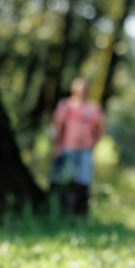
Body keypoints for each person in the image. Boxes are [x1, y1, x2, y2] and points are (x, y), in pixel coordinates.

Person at [51, 77, 104, 217]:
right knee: (67, 182)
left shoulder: (93, 109)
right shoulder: (65, 106)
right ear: (73, 90)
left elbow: (100, 129)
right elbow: (58, 127)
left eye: (86, 90)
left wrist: (93, 144)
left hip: (85, 150)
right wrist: (57, 146)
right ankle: (64, 213)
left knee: (84, 182)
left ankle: (81, 215)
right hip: (67, 149)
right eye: (80, 90)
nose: (83, 92)